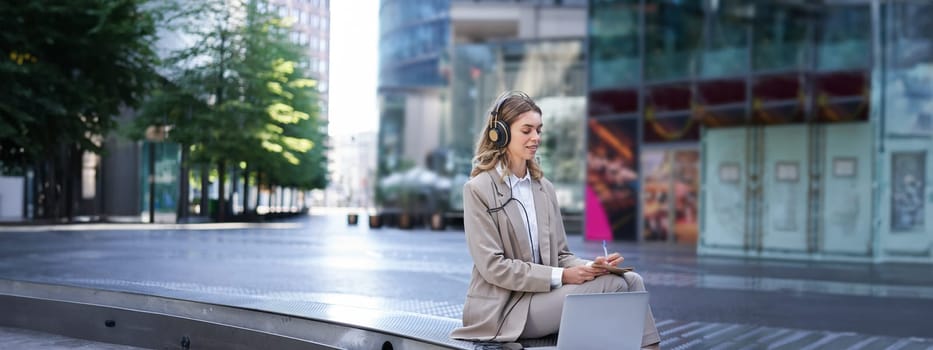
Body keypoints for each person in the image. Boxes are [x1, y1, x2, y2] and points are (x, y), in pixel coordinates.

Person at [450, 91, 661, 349]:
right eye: (526, 130)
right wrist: (564, 276)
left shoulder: (543, 187)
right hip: (504, 310)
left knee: (632, 281)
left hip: (544, 296)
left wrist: (592, 266)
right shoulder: (478, 189)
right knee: (613, 286)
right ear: (500, 133)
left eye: (539, 130)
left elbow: (561, 254)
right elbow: (494, 267)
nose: (536, 138)